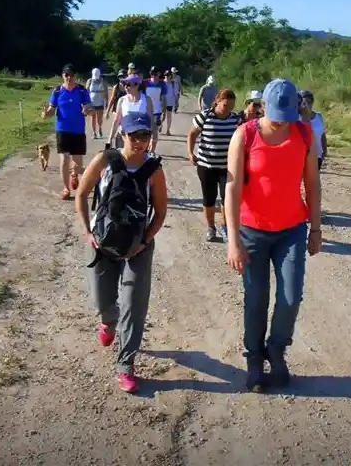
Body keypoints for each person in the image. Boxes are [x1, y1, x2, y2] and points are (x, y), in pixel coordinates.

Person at [224, 78, 322, 392]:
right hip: (252, 231)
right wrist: (233, 240)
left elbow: (313, 184)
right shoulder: (246, 134)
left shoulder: (304, 133)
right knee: (256, 300)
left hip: (291, 230)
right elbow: (233, 187)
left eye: (287, 113)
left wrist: (316, 228)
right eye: (276, 113)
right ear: (263, 105)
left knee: (291, 297)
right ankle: (254, 360)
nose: (282, 121)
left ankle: (276, 350)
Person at [75, 111, 168, 394]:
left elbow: (161, 212)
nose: (140, 141)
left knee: (134, 306)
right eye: (134, 136)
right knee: (103, 300)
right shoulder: (106, 160)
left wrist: (145, 240)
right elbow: (81, 194)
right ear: (122, 135)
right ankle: (107, 320)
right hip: (102, 245)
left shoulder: (154, 170)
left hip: (138, 248)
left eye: (145, 136)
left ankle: (126, 364)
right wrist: (88, 232)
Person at [187, 88, 241, 242]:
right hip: (206, 166)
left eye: (231, 106)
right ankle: (211, 227)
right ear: (217, 101)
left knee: (227, 198)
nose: (228, 110)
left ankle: (225, 226)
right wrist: (191, 153)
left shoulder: (235, 119)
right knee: (209, 198)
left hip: (228, 168)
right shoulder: (205, 116)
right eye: (225, 105)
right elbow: (192, 134)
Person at [42, 64, 92, 200]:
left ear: (75, 76)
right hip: (62, 129)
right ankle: (66, 188)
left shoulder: (81, 91)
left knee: (78, 163)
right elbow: (52, 109)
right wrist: (47, 114)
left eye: (71, 75)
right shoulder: (57, 91)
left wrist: (87, 110)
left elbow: (88, 106)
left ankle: (74, 175)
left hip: (78, 130)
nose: (69, 77)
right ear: (63, 76)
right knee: (64, 160)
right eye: (66, 75)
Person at [108, 73, 159, 154]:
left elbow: (151, 120)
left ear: (137, 85)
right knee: (122, 162)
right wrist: (110, 139)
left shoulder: (146, 100)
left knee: (138, 163)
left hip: (141, 138)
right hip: (123, 136)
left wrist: (154, 137)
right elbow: (117, 120)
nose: (125, 87)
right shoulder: (122, 100)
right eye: (124, 84)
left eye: (128, 84)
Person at [299, 90, 328, 170]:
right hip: (300, 156)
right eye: (303, 103)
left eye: (308, 102)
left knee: (312, 181)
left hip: (317, 156)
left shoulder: (319, 117)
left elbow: (322, 134)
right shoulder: (296, 118)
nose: (306, 105)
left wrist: (324, 151)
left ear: (312, 103)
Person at [86, 68, 109, 139]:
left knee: (99, 118)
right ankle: (94, 132)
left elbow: (106, 92)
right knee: (93, 117)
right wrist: (86, 102)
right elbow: (86, 91)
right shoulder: (89, 81)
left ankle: (99, 128)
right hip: (91, 102)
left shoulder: (103, 82)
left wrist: (107, 101)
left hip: (100, 102)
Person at [145, 67, 167, 132]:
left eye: (155, 74)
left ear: (159, 74)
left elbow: (164, 98)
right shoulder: (145, 83)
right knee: (147, 129)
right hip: (147, 110)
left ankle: (157, 129)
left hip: (157, 110)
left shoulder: (162, 84)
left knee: (154, 128)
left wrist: (164, 111)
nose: (154, 76)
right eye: (152, 74)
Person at [162, 69, 177, 135]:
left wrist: (176, 102)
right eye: (166, 75)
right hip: (162, 102)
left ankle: (168, 130)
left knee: (169, 116)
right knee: (162, 116)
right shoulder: (161, 83)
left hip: (170, 102)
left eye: (168, 75)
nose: (167, 77)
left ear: (171, 76)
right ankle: (160, 125)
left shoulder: (173, 84)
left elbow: (175, 93)